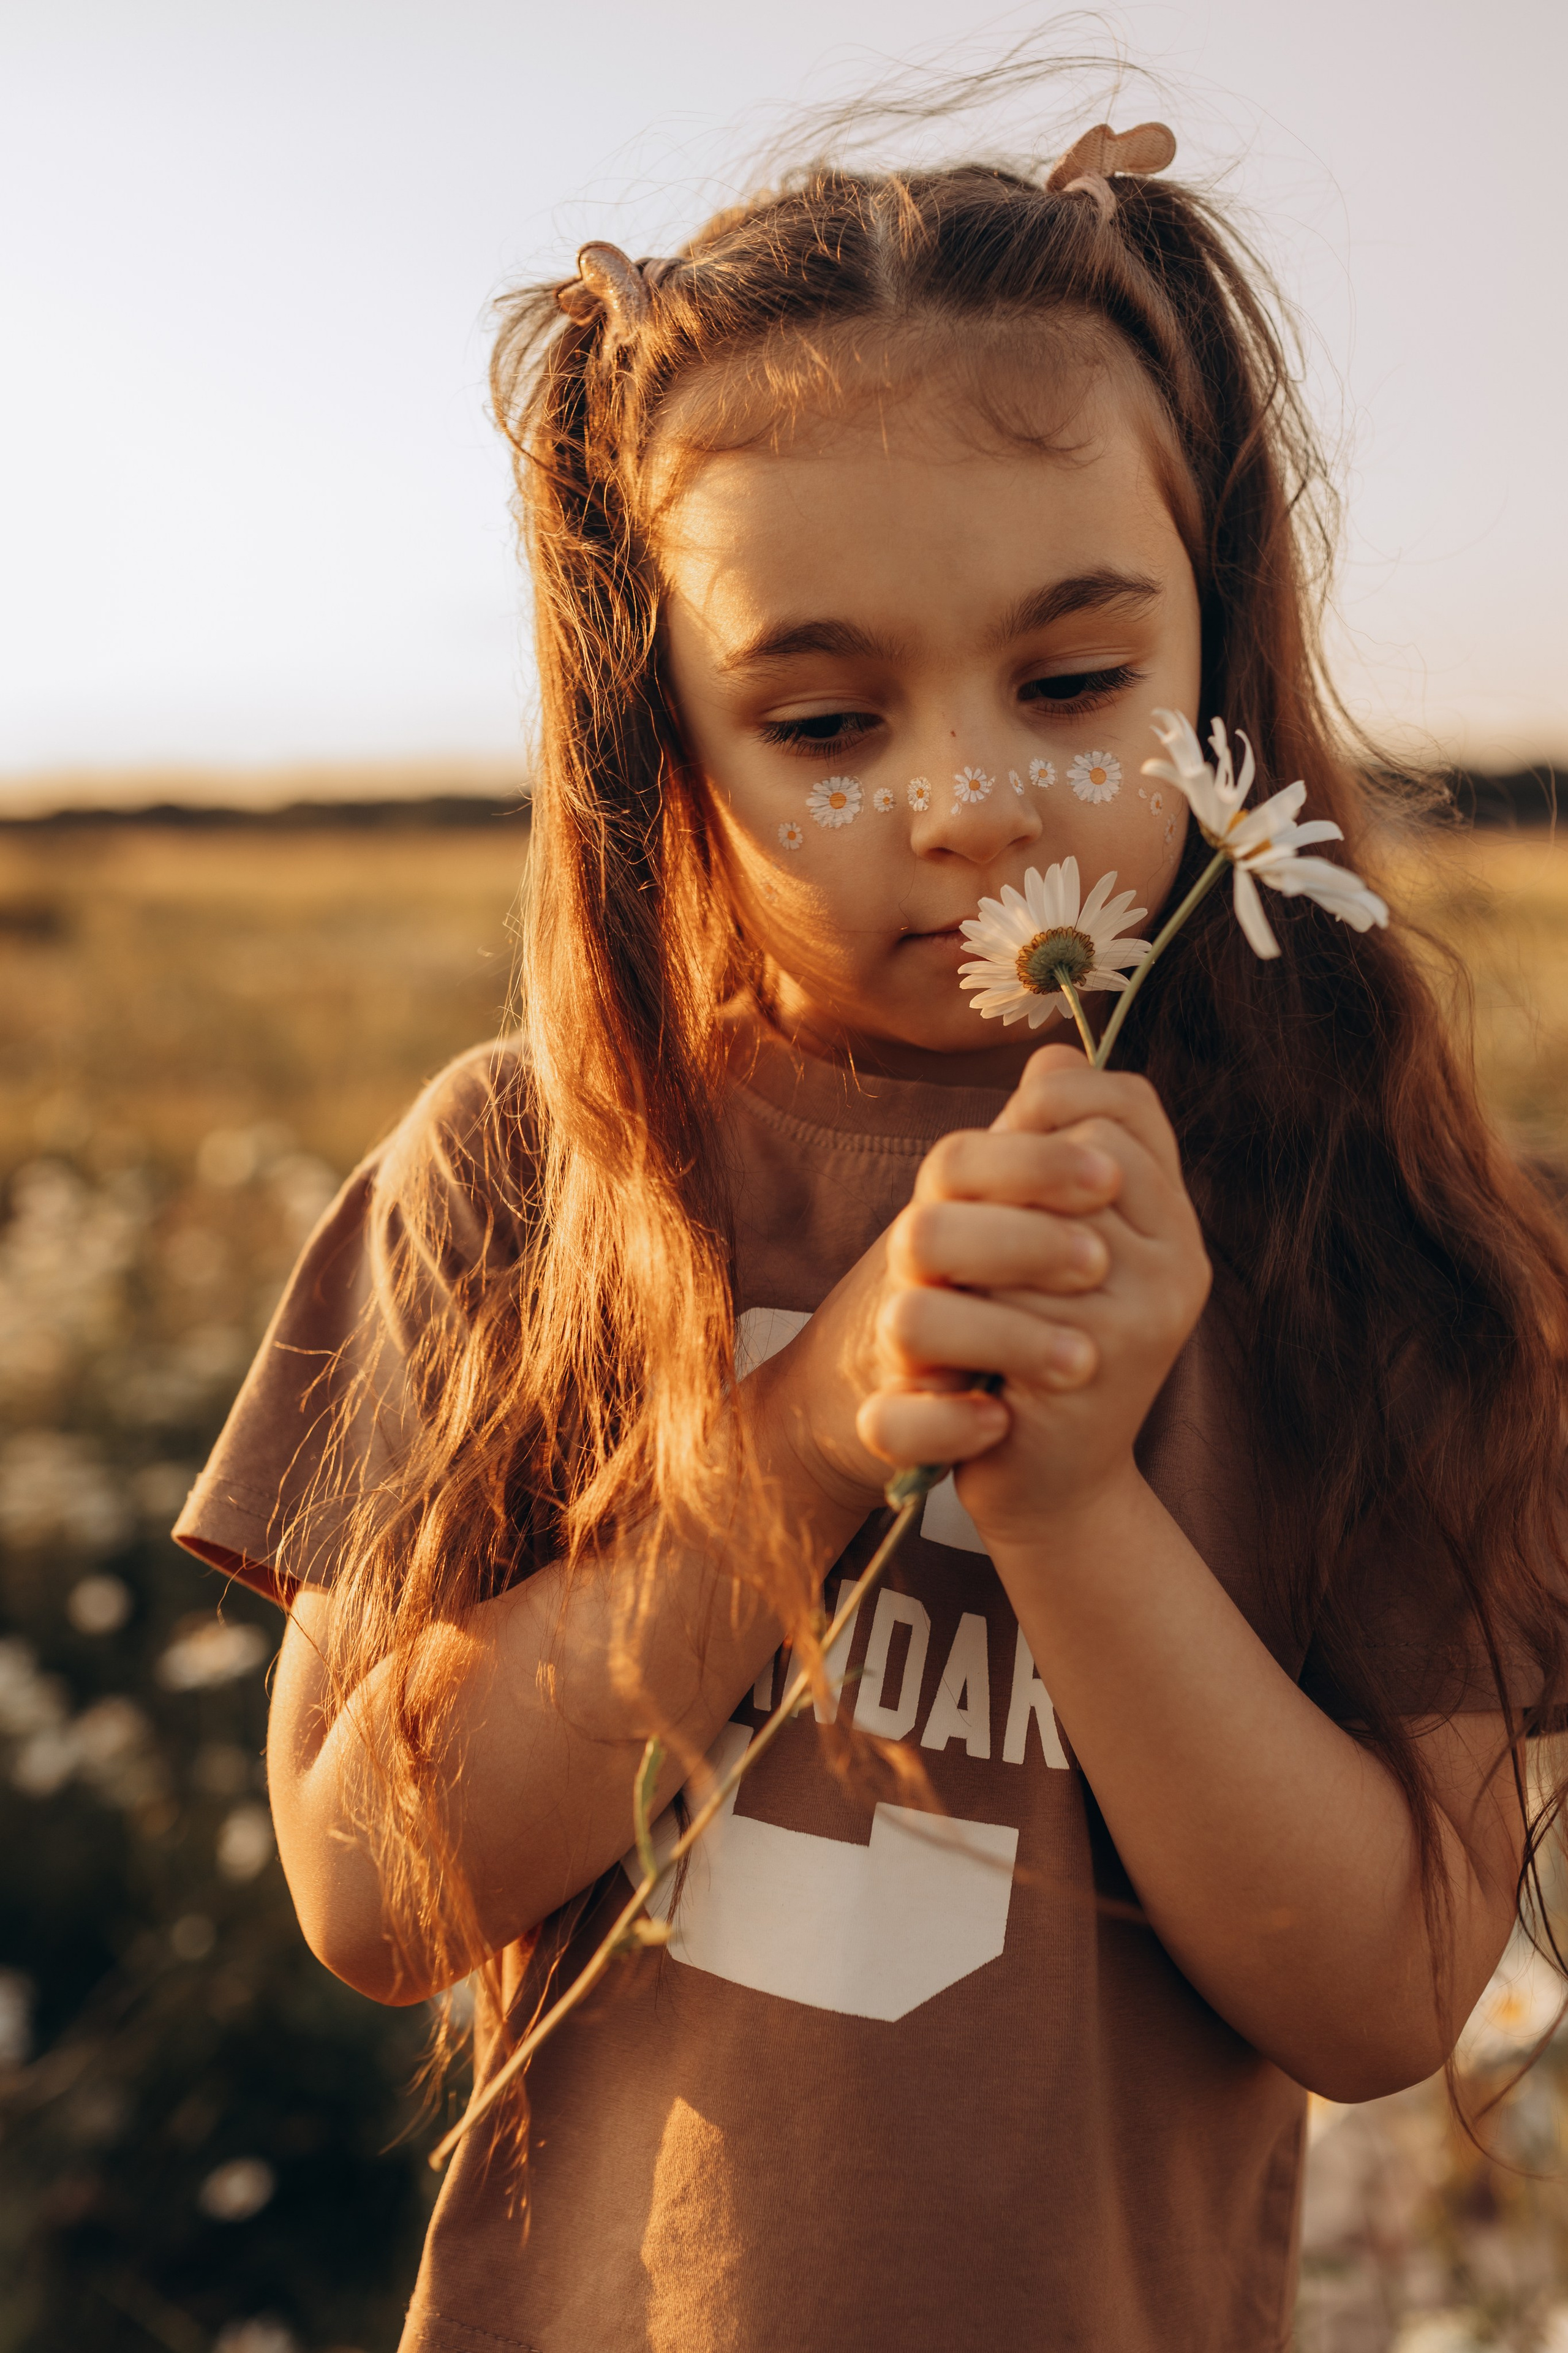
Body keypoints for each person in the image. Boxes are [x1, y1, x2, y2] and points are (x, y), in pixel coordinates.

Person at [175, 104, 1568, 2353]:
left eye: (1074, 684)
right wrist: (814, 1422)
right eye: (824, 719)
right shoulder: (530, 1171)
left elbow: (1383, 1993)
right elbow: (370, 1882)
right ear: (666, 749)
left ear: (1220, 657)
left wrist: (1076, 1505)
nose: (968, 802)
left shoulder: (1370, 1225)